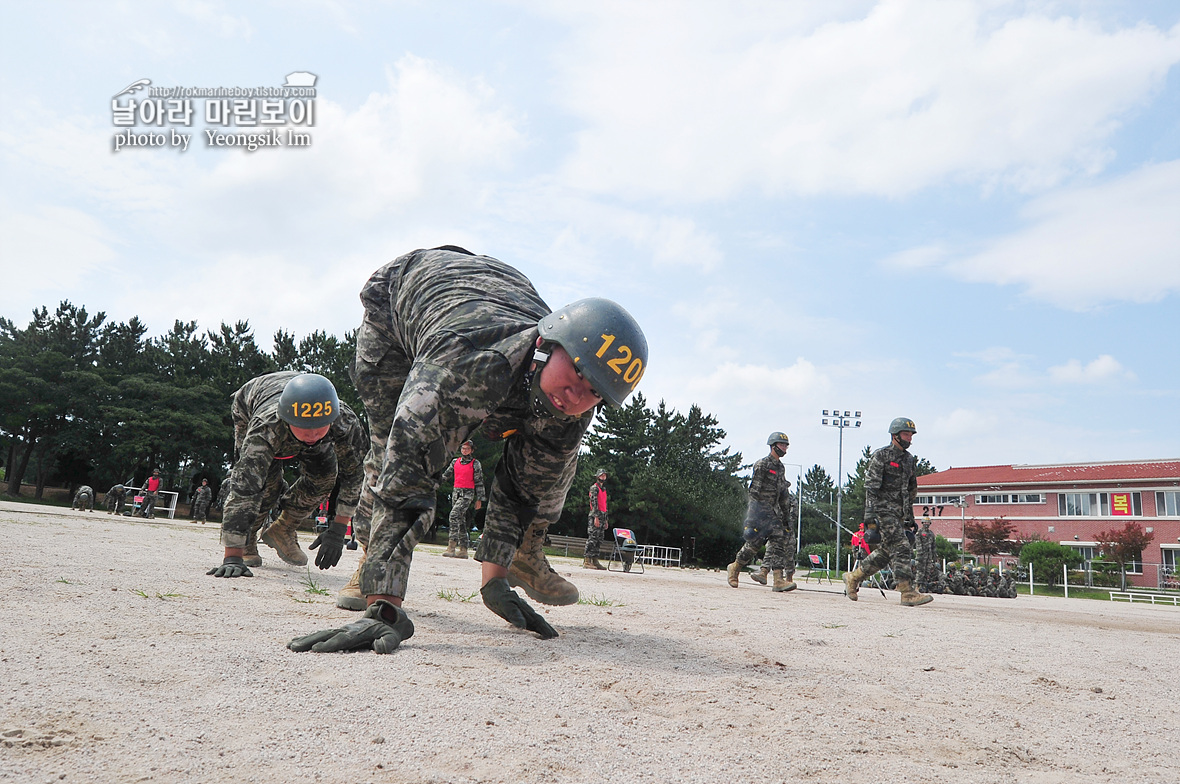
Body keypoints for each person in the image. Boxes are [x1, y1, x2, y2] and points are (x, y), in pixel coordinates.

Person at [288, 246, 647, 655]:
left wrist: (493, 579)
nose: (576, 393)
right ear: (549, 342)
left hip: (503, 293)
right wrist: (383, 606)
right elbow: (408, 470)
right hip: (399, 302)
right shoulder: (466, 365)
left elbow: (524, 486)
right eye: (578, 371)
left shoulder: (573, 403)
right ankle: (371, 566)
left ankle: (519, 557)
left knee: (553, 458)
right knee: (390, 443)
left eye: (595, 391)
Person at [206, 371, 367, 578]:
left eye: (319, 428)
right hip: (250, 405)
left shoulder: (343, 421)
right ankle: (247, 542)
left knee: (325, 474)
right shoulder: (266, 428)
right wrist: (232, 556)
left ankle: (284, 528)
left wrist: (338, 529)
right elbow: (245, 487)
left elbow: (355, 475)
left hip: (298, 413)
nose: (312, 435)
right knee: (267, 486)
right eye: (305, 429)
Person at [843, 418, 932, 606]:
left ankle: (853, 577)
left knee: (886, 552)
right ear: (895, 435)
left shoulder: (908, 460)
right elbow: (871, 487)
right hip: (882, 511)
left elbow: (910, 490)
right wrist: (869, 513)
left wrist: (909, 516)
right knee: (901, 546)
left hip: (898, 513)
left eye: (911, 435)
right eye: (906, 434)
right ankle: (907, 591)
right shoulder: (881, 456)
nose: (909, 438)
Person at [726, 432, 798, 593]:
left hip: (773, 513)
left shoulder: (780, 467)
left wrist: (786, 518)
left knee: (768, 543)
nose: (785, 448)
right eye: (782, 445)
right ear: (773, 446)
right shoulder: (762, 465)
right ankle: (738, 568)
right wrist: (751, 519)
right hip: (760, 512)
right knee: (764, 541)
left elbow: (783, 495)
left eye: (786, 445)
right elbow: (754, 492)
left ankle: (775, 579)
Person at [439, 440, 485, 559]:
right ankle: (464, 549)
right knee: (460, 520)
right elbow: (446, 475)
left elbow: (479, 482)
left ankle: (451, 546)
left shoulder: (475, 464)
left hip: (467, 493)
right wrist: (434, 482)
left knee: (454, 515)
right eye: (463, 448)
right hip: (456, 492)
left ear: (472, 450)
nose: (465, 450)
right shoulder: (455, 462)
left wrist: (479, 499)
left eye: (467, 449)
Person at [583, 469, 610, 570]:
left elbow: (605, 504)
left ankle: (595, 559)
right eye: (601, 475)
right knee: (592, 538)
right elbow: (593, 503)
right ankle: (587, 560)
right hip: (596, 515)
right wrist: (595, 517)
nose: (603, 477)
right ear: (597, 476)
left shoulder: (604, 489)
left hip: (603, 516)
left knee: (599, 539)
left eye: (604, 475)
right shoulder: (595, 488)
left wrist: (606, 519)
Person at [914, 515, 937, 592]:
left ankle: (923, 586)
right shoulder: (919, 532)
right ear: (922, 523)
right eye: (925, 522)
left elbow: (934, 545)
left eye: (928, 522)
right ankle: (917, 586)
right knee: (920, 571)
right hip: (921, 555)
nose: (926, 524)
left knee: (927, 571)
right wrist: (920, 554)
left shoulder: (931, 533)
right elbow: (918, 544)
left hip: (929, 555)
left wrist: (934, 556)